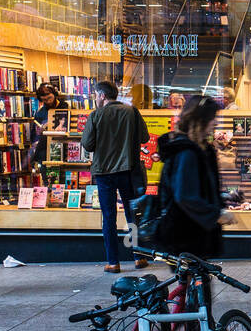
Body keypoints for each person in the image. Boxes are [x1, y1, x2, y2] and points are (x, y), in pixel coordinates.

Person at [81, 80, 151, 273]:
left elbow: (87, 144)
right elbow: (144, 138)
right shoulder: (132, 112)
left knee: (109, 217)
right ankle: (139, 257)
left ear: (102, 95)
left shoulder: (95, 116)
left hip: (104, 173)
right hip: (128, 171)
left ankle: (113, 262)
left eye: (96, 95)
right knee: (132, 215)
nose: (95, 98)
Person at [154, 95, 233, 258]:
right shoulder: (187, 153)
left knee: (195, 278)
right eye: (213, 118)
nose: (216, 122)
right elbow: (185, 195)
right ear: (200, 120)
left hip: (194, 232)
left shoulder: (200, 149)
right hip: (187, 233)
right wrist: (215, 214)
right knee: (195, 277)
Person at [31, 83, 63, 167]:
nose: (48, 101)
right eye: (45, 100)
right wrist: (38, 132)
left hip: (63, 146)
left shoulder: (65, 107)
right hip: (45, 150)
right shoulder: (40, 113)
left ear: (55, 94)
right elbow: (34, 136)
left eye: (50, 98)